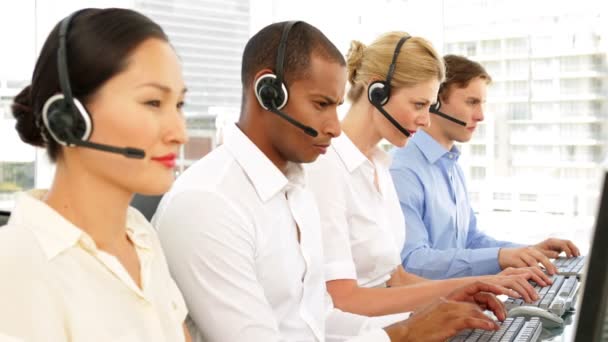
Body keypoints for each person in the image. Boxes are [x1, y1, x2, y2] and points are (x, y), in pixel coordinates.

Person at [153, 21, 513, 342]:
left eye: (335, 106)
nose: (334, 127)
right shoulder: (209, 202)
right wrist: (403, 334)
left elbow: (316, 320)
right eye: (321, 105)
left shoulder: (293, 188)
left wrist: (419, 321)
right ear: (268, 93)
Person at [305, 32, 552, 317]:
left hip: (400, 328)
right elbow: (342, 300)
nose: (425, 119)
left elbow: (395, 278)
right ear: (377, 92)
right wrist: (472, 282)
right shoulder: (327, 167)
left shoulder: (378, 168)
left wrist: (466, 297)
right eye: (419, 105)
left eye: (430, 106)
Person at [0, 8, 191, 341]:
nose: (180, 132)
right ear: (69, 119)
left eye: (179, 105)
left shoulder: (139, 233)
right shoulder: (18, 263)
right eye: (152, 102)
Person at [390, 55, 581, 280]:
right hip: (427, 310)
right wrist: (499, 257)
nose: (480, 116)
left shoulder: (452, 167)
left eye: (482, 104)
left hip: (459, 303)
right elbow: (411, 263)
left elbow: (470, 240)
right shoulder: (402, 171)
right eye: (472, 102)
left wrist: (529, 252)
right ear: (436, 102)